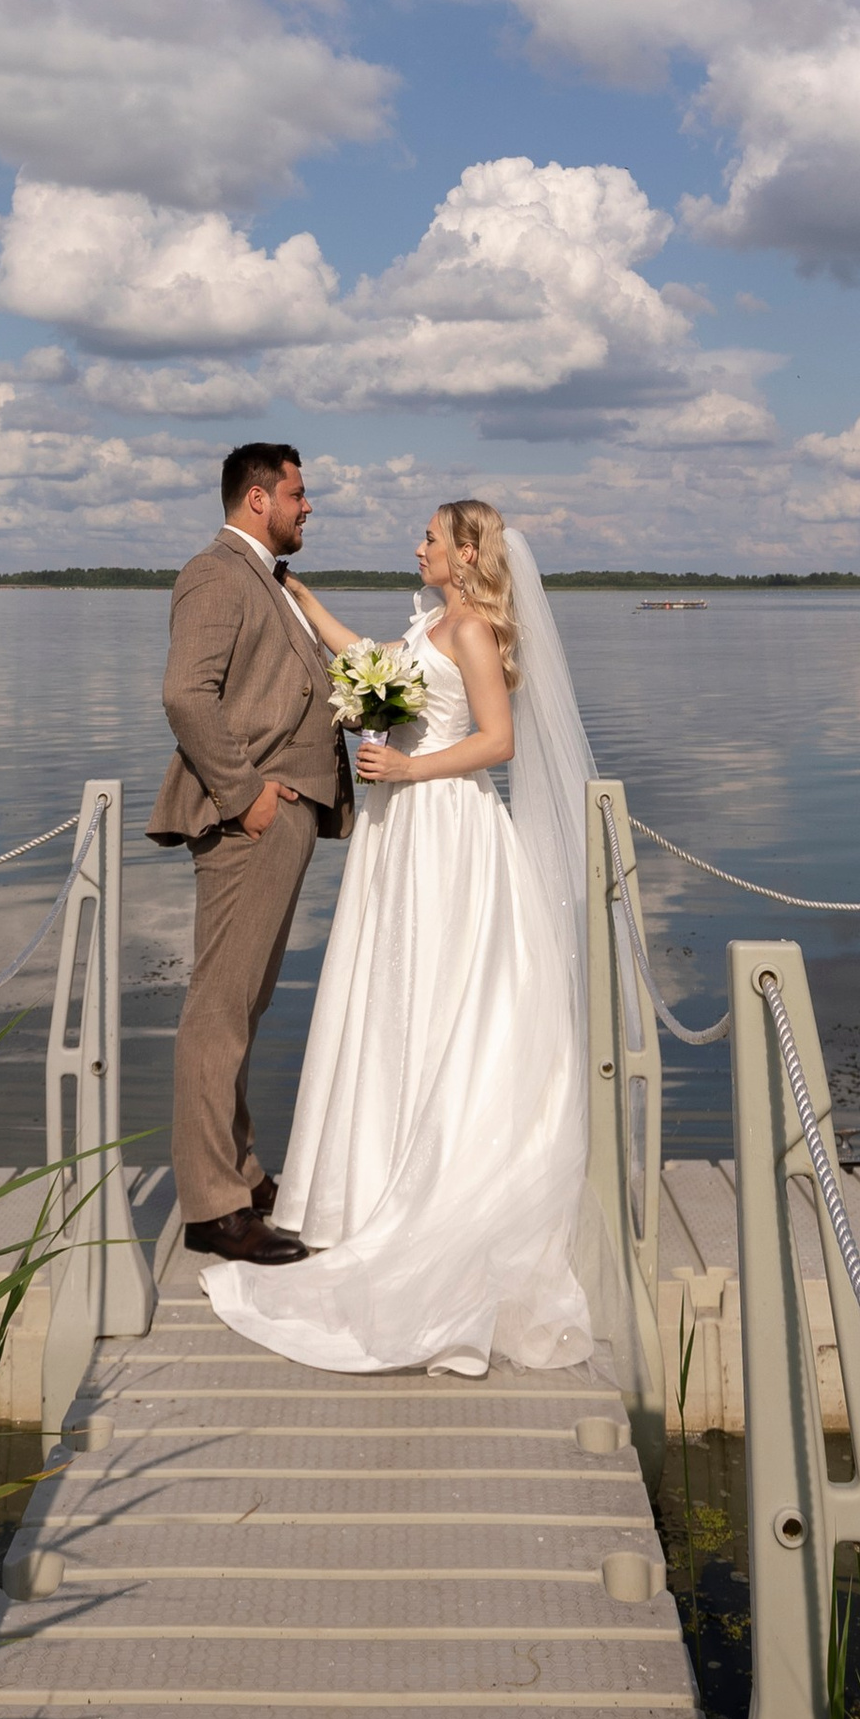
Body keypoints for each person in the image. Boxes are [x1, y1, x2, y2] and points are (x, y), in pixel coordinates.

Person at [200, 497, 597, 1379]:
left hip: (448, 826)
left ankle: (439, 1184)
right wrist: (297, 598)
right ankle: (370, 1182)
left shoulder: (476, 632)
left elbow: (497, 742)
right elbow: (369, 660)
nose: (414, 547)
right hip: (401, 833)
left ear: (463, 553)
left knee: (445, 996)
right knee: (391, 1000)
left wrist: (411, 765)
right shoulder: (435, 622)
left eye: (427, 538)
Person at [147, 443, 354, 1265]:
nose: (310, 508)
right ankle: (213, 1207)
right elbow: (182, 694)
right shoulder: (215, 572)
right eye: (300, 494)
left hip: (282, 817)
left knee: (245, 1004)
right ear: (259, 498)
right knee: (218, 1009)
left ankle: (240, 1171)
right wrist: (249, 797)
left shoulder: (266, 580)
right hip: (249, 821)